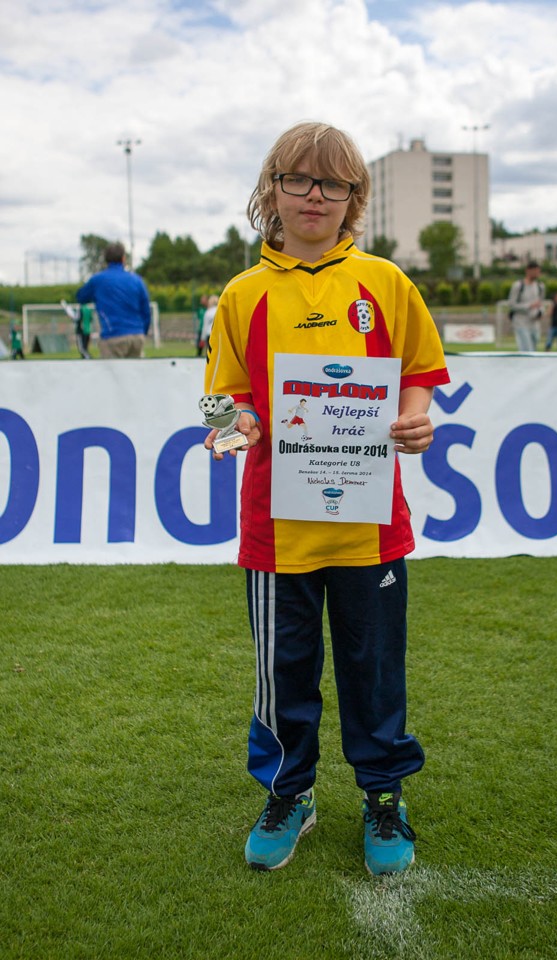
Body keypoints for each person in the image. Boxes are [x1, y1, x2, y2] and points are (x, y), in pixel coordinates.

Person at [202, 121, 450, 876]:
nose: (316, 196)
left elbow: (418, 371)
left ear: (354, 198)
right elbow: (224, 403)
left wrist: (414, 419)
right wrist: (238, 427)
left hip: (369, 528)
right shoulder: (242, 295)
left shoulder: (386, 283)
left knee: (376, 673)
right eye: (300, 180)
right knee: (285, 675)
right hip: (276, 532)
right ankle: (290, 794)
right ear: (271, 190)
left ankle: (383, 797)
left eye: (333, 183)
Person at [76, 241, 151, 358]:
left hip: (113, 335)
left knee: (111, 370)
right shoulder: (137, 280)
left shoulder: (98, 280)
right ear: (123, 258)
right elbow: (146, 311)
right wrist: (141, 331)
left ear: (106, 259)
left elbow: (81, 297)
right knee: (135, 369)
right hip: (137, 336)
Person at [507, 260, 546, 352]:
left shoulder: (540, 286)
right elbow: (512, 305)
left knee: (534, 350)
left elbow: (541, 303)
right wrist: (529, 306)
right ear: (528, 270)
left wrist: (540, 312)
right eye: (535, 271)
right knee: (526, 350)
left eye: (538, 271)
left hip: (534, 323)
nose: (537, 273)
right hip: (521, 322)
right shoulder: (518, 286)